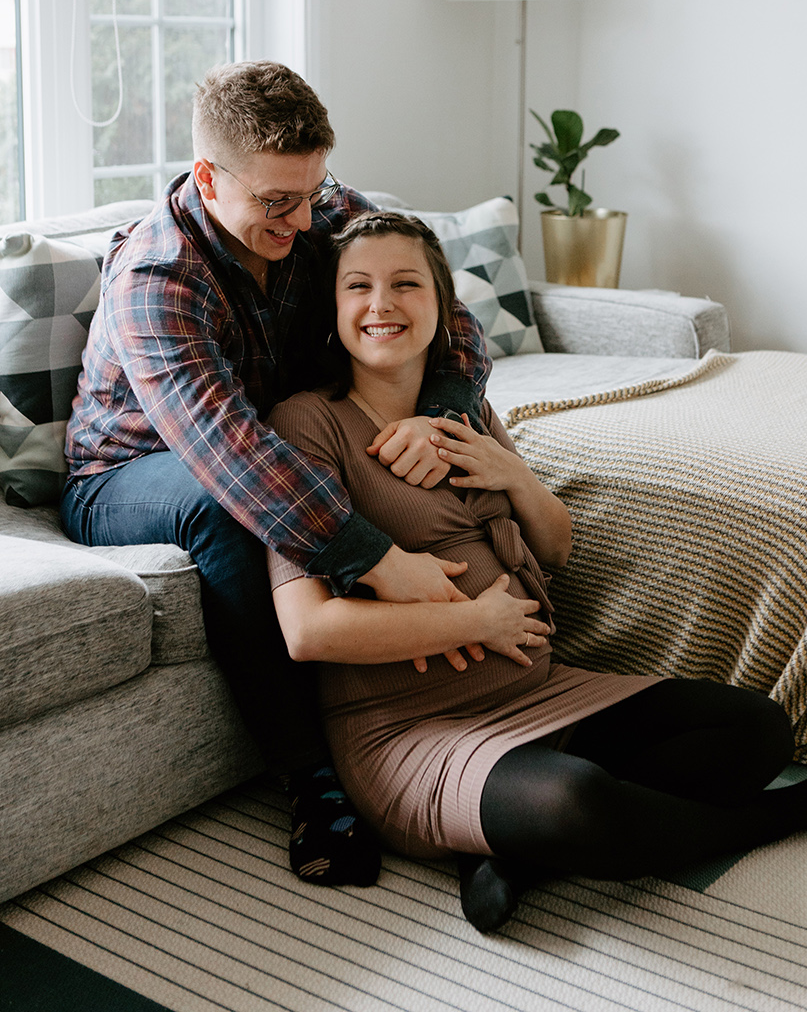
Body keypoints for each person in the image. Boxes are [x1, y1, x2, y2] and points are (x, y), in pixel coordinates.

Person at [266, 210, 807, 932]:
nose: (381, 304)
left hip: (543, 692)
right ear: (333, 309)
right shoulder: (304, 423)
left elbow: (554, 548)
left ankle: (510, 854)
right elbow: (307, 630)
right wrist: (473, 620)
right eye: (357, 286)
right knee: (577, 804)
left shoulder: (462, 407)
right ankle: (756, 822)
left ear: (441, 302)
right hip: (412, 729)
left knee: (758, 728)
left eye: (405, 283)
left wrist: (509, 473)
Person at [60, 61, 492, 889]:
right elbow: (224, 451)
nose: (302, 219)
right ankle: (310, 776)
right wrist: (373, 558)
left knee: (384, 452)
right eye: (275, 203)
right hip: (128, 475)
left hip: (261, 440)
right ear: (207, 177)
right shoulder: (156, 277)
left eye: (311, 191)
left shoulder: (318, 202)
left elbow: (451, 315)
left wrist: (430, 416)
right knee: (231, 507)